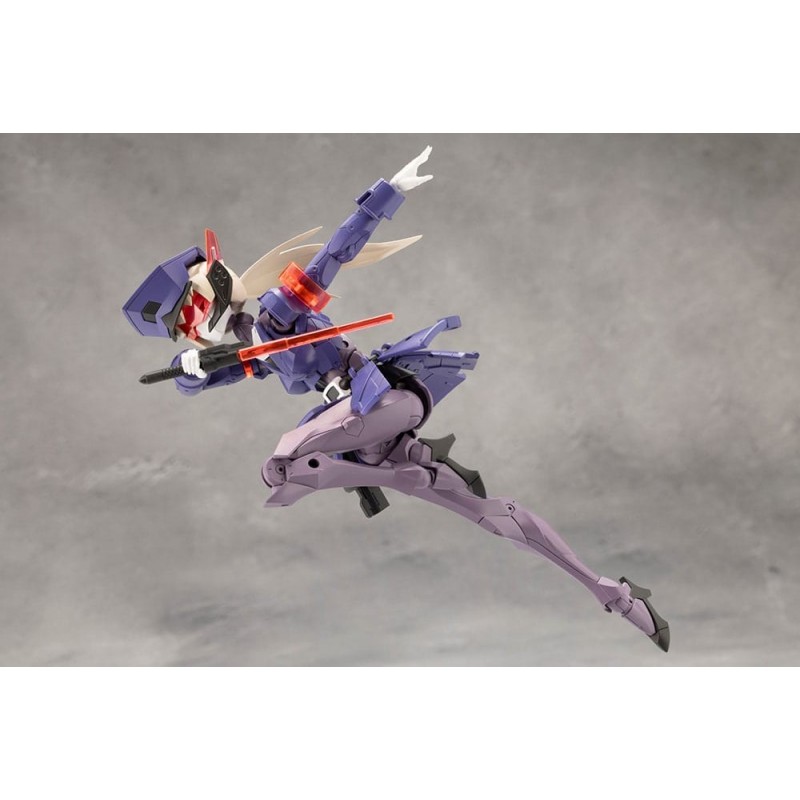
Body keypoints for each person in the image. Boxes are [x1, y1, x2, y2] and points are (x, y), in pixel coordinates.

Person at [123, 147, 670, 652]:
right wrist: (190, 368)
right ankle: (615, 594)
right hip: (370, 437)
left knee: (285, 460)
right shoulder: (253, 349)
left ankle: (374, 473)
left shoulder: (279, 313)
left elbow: (333, 255)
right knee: (489, 515)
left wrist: (384, 195)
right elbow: (203, 381)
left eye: (191, 312)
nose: (194, 326)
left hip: (383, 402)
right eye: (185, 325)